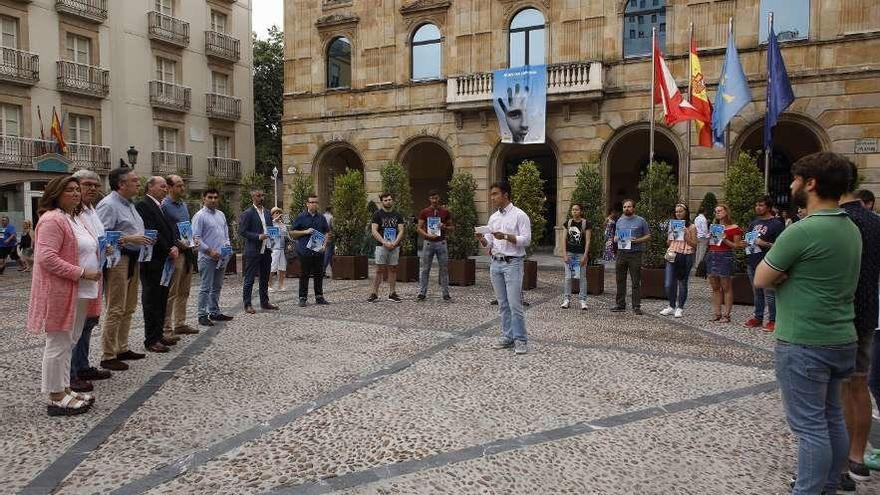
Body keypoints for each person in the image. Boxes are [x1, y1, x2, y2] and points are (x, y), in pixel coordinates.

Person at [754, 151, 861, 495]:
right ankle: (830, 484)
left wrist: (784, 275)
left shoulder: (802, 231)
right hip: (841, 336)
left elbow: (760, 276)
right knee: (831, 416)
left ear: (811, 184)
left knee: (810, 427)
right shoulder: (850, 227)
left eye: (797, 180)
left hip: (805, 340)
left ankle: (808, 490)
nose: (793, 184)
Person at [27, 176, 102, 416]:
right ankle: (55, 396)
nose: (76, 193)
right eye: (69, 190)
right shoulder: (52, 219)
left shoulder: (74, 218)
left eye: (76, 189)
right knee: (58, 342)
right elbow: (46, 258)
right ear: (56, 193)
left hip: (79, 290)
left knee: (70, 340)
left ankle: (64, 387)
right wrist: (81, 272)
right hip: (61, 290)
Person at [839, 163, 880, 485]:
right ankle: (857, 457)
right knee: (859, 384)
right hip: (868, 314)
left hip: (835, 318)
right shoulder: (874, 222)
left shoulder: (836, 222)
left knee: (835, 390)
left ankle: (838, 466)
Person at [96, 167, 153, 371]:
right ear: (121, 184)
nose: (139, 183)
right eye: (134, 180)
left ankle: (122, 347)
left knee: (129, 307)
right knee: (116, 307)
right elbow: (100, 235)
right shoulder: (109, 205)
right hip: (118, 260)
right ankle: (108, 354)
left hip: (134, 258)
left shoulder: (130, 204)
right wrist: (129, 238)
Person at [69, 169, 112, 392]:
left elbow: (96, 239)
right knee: (75, 326)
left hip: (96, 272)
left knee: (88, 323)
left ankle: (82, 365)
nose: (92, 188)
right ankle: (71, 373)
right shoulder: (71, 213)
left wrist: (106, 246)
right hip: (79, 276)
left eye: (95, 185)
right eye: (87, 184)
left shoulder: (91, 209)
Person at [477, 181, 531, 355]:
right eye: (492, 194)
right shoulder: (493, 218)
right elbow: (489, 243)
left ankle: (521, 340)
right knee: (502, 304)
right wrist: (481, 239)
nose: (492, 197)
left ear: (505, 194)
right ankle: (507, 337)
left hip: (513, 263)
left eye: (495, 194)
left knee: (515, 304)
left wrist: (507, 237)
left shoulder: (519, 215)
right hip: (496, 263)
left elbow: (526, 240)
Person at [135, 177, 179, 353]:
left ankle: (159, 334)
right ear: (150, 187)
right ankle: (151, 338)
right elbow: (151, 230)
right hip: (152, 260)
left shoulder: (161, 206)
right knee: (152, 300)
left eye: (166, 187)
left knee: (162, 298)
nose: (165, 189)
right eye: (162, 186)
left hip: (164, 260)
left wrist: (174, 244)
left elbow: (168, 230)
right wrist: (168, 248)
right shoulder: (143, 206)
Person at [161, 174, 199, 338]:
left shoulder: (183, 205)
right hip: (175, 253)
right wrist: (176, 244)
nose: (182, 188)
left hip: (187, 251)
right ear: (169, 188)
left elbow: (185, 227)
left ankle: (180, 323)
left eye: (183, 185)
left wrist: (192, 239)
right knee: (172, 292)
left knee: (184, 290)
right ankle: (166, 329)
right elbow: (165, 231)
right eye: (178, 185)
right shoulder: (164, 206)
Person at [742, 195, 784, 332]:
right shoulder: (753, 223)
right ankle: (758, 317)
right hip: (752, 260)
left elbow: (782, 245)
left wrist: (764, 243)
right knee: (757, 292)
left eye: (761, 205)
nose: (757, 208)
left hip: (767, 262)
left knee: (770, 294)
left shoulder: (776, 224)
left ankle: (773, 320)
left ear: (768, 207)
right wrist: (745, 244)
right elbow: (749, 239)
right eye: (756, 205)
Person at [192, 189, 233, 326]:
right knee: (205, 287)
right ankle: (202, 315)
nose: (213, 200)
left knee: (217, 286)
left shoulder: (221, 214)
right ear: (204, 198)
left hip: (222, 257)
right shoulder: (199, 216)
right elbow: (196, 238)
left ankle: (214, 311)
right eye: (210, 197)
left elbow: (226, 234)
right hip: (207, 258)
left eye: (216, 197)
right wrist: (209, 251)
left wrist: (227, 248)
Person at [239, 189, 279, 313]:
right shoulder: (248, 213)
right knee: (250, 278)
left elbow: (270, 228)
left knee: (265, 277)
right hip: (253, 250)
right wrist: (257, 236)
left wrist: (274, 231)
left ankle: (264, 302)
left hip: (266, 249)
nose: (261, 197)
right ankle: (247, 304)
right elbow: (242, 231)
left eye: (262, 195)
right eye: (258, 195)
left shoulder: (267, 212)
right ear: (253, 197)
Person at [610, 199, 651, 315]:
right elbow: (616, 236)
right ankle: (620, 304)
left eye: (629, 206)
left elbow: (648, 236)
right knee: (620, 280)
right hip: (621, 253)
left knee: (635, 281)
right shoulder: (620, 221)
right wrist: (615, 239)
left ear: (633, 208)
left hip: (635, 253)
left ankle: (636, 306)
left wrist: (637, 240)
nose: (626, 208)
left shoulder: (641, 221)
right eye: (624, 207)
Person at [291, 195, 331, 307]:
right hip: (305, 250)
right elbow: (293, 232)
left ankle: (319, 296)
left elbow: (327, 231)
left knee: (319, 274)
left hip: (318, 250)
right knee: (304, 274)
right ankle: (302, 297)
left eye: (316, 202)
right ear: (307, 204)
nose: (314, 204)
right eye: (312, 202)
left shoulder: (321, 217)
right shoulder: (301, 217)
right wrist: (305, 231)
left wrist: (324, 244)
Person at [706, 204, 743, 323]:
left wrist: (724, 238)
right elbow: (710, 243)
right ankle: (717, 313)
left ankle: (726, 314)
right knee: (715, 287)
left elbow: (736, 246)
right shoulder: (713, 227)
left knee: (726, 286)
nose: (717, 212)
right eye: (716, 211)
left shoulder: (734, 227)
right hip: (712, 254)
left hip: (725, 255)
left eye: (720, 210)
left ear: (726, 212)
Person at [660, 203, 697, 318]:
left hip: (686, 254)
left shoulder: (692, 227)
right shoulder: (672, 225)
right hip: (672, 253)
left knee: (682, 282)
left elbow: (695, 244)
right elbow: (668, 243)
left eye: (680, 211)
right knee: (668, 283)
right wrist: (672, 235)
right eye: (676, 212)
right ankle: (671, 305)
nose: (678, 214)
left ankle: (680, 307)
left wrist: (686, 236)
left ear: (686, 212)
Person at [416, 189, 453, 301]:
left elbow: (452, 228)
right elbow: (418, 228)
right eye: (432, 198)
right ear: (429, 199)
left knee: (444, 269)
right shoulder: (424, 212)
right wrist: (426, 235)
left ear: (439, 198)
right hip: (428, 242)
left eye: (436, 198)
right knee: (425, 269)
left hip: (441, 242)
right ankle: (422, 292)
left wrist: (445, 227)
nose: (434, 200)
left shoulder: (445, 212)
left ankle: (445, 293)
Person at [368, 193, 405, 303]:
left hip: (394, 246)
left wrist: (395, 242)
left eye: (390, 199)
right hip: (381, 246)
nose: (388, 201)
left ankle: (392, 293)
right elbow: (374, 230)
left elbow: (401, 230)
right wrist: (384, 242)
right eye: (385, 200)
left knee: (393, 269)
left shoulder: (397, 215)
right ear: (382, 202)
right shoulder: (377, 215)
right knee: (379, 270)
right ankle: (374, 293)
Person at [560, 203, 591, 310]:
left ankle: (583, 300)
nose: (574, 211)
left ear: (581, 211)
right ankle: (566, 299)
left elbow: (588, 241)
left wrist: (585, 256)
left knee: (582, 277)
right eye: (573, 210)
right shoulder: (567, 223)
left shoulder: (585, 223)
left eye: (577, 210)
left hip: (580, 254)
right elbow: (563, 240)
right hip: (569, 253)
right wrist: (564, 254)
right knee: (568, 277)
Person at [269, 207, 291, 292]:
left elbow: (287, 235)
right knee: (272, 267)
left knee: (282, 267)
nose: (278, 214)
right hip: (274, 248)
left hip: (282, 248)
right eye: (276, 213)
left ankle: (281, 285)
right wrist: (275, 221)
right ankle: (269, 285)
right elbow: (271, 235)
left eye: (279, 213)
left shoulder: (282, 224)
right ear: (272, 215)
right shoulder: (271, 223)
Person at [693, 204, 710, 271]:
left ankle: (696, 264)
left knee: (698, 251)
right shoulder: (703, 219)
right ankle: (700, 266)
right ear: (704, 211)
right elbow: (705, 229)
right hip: (703, 237)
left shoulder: (696, 218)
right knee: (702, 252)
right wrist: (708, 236)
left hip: (697, 236)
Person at [323, 206, 334, 276]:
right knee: (328, 253)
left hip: (321, 237)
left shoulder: (322, 216)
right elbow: (332, 227)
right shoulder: (331, 217)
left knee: (330, 254)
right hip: (329, 237)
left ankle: (334, 269)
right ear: (330, 210)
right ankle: (323, 270)